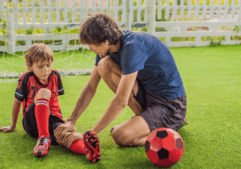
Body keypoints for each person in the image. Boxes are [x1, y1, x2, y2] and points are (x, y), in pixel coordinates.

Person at [55, 14, 187, 149]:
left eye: (91, 44)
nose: (90, 48)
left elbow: (121, 100)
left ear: (105, 41)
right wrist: (71, 121)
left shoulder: (132, 47)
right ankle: (143, 118)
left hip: (169, 105)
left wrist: (89, 135)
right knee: (104, 65)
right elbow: (90, 87)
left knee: (120, 135)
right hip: (147, 93)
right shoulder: (106, 51)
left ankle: (170, 128)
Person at [0, 43, 101, 162]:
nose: (45, 70)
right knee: (44, 92)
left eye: (48, 65)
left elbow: (55, 101)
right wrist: (12, 125)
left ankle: (87, 150)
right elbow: (17, 102)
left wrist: (60, 121)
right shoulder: (27, 78)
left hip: (51, 119)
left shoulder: (55, 76)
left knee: (65, 136)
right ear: (30, 66)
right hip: (31, 122)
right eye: (40, 66)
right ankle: (43, 137)